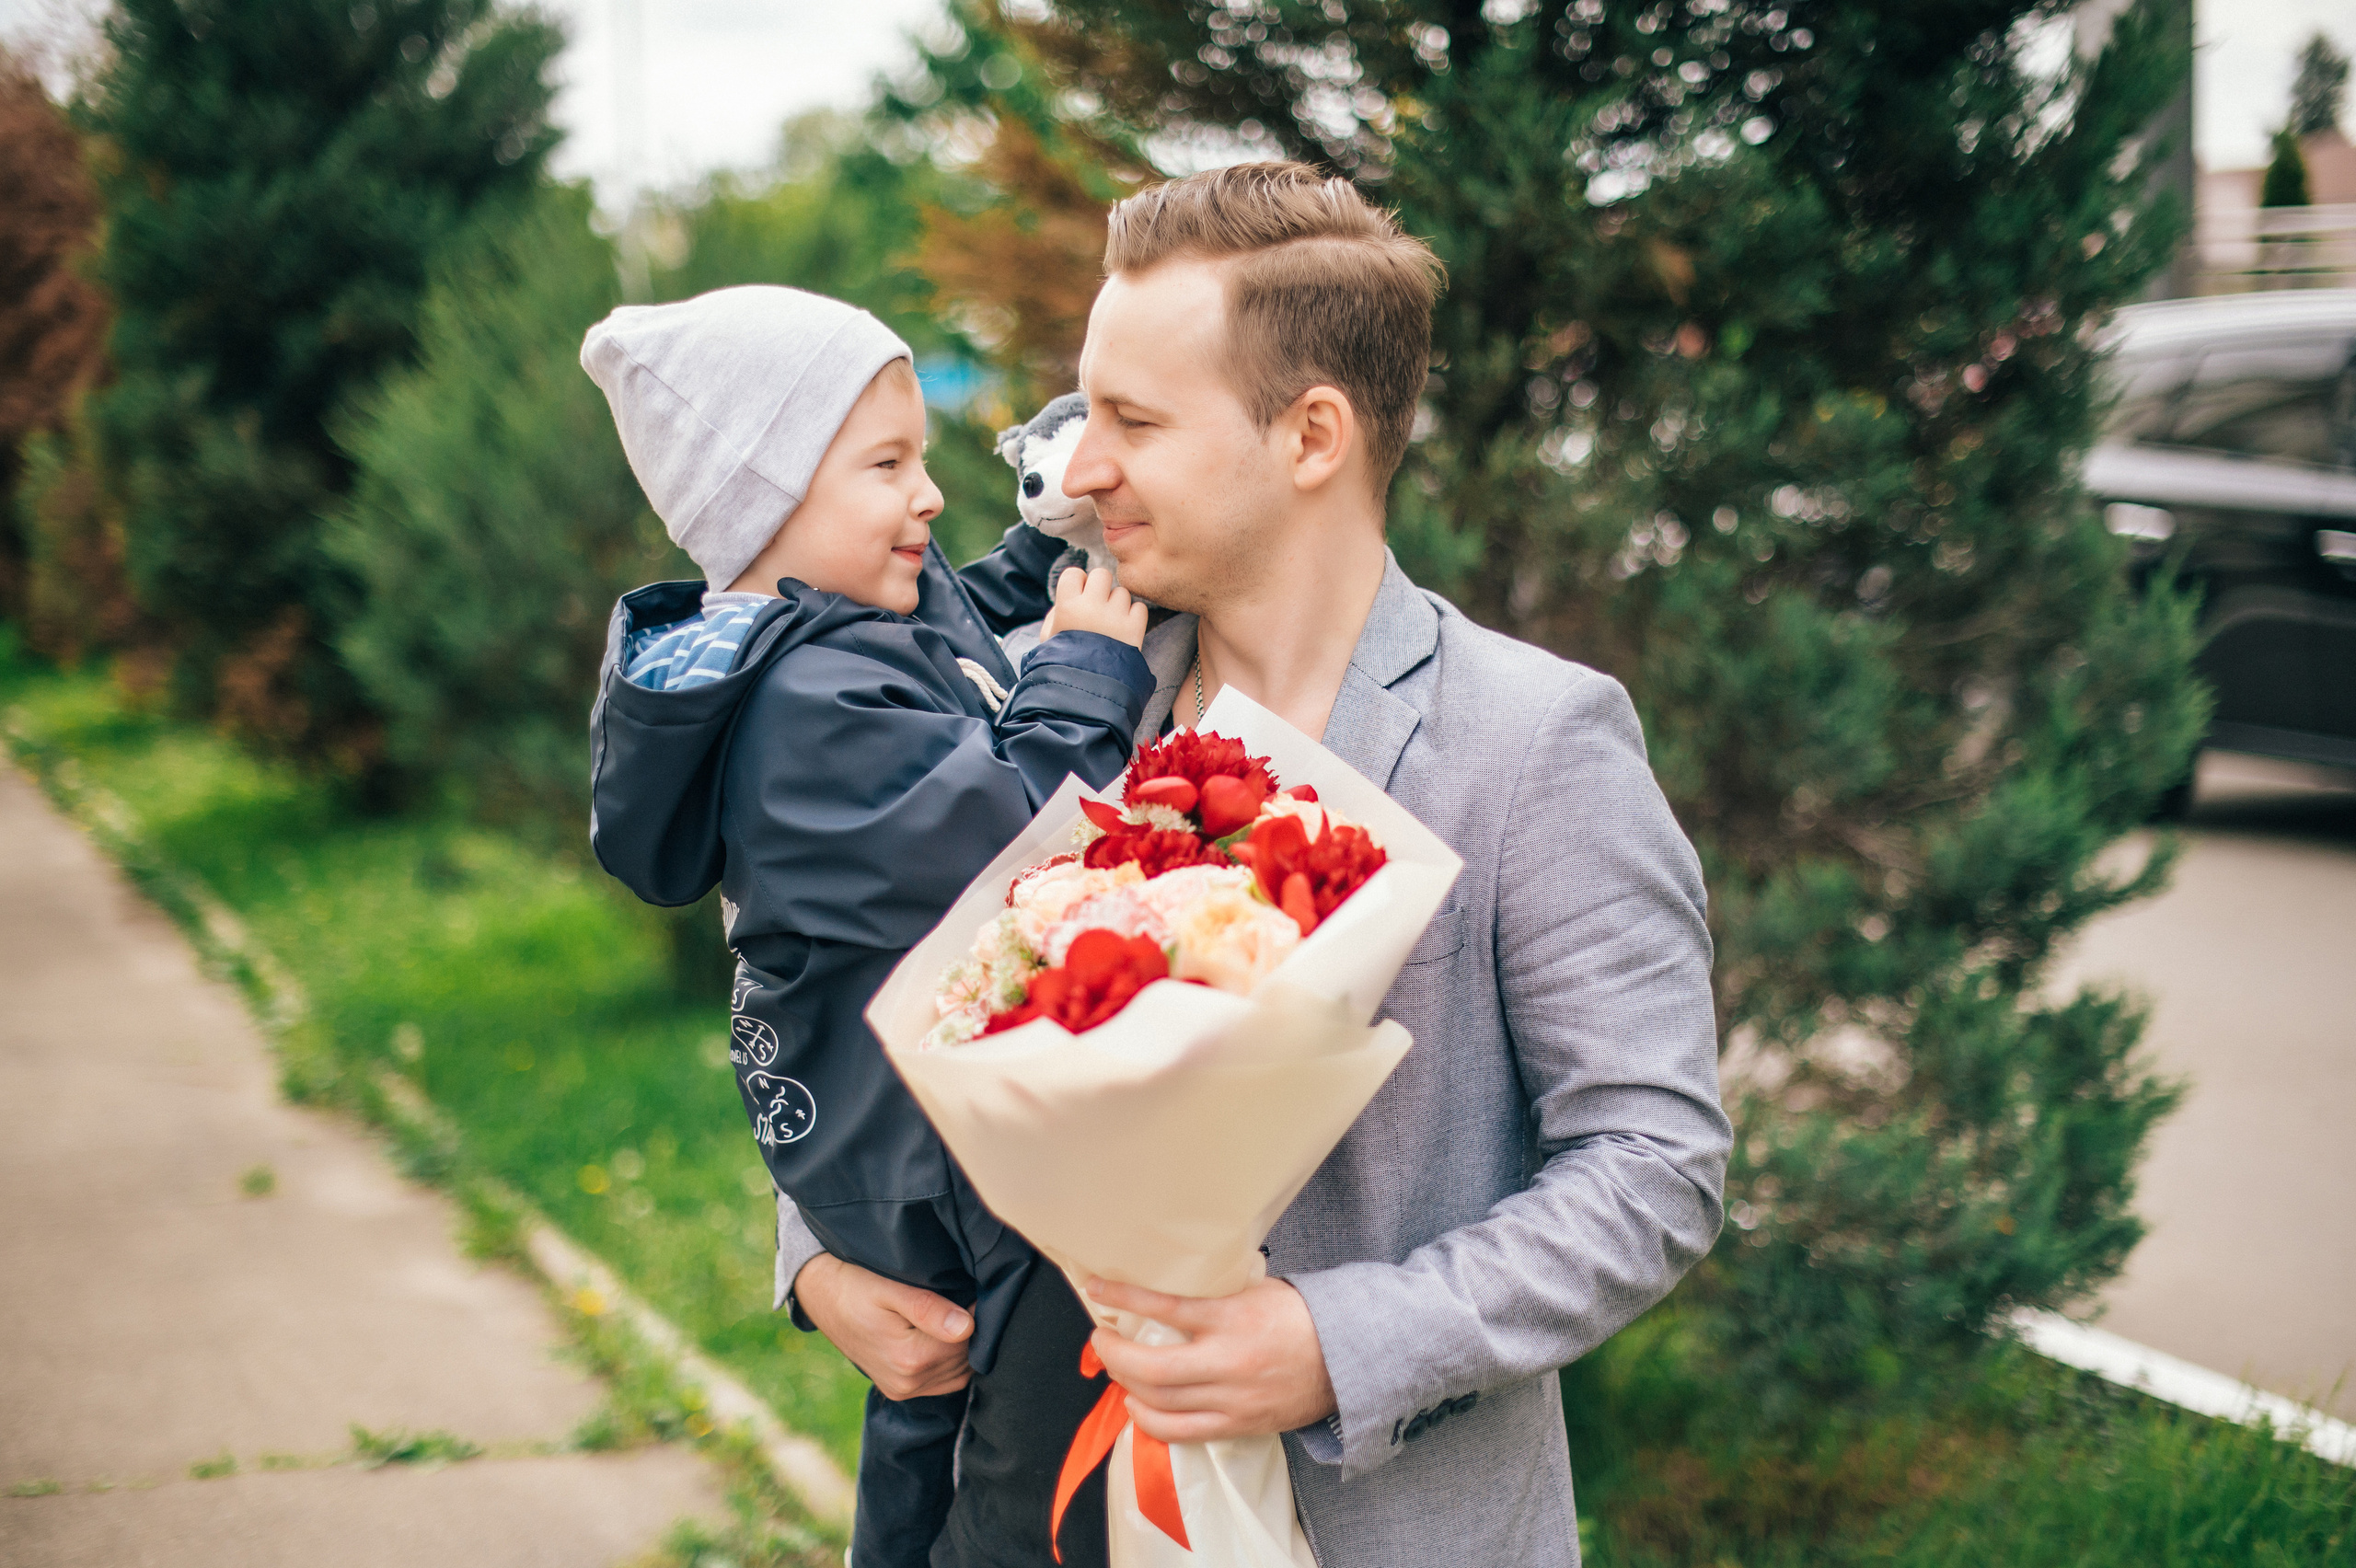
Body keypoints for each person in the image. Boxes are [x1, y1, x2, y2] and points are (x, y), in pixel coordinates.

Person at [778, 167, 1733, 1566]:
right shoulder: (1047, 697)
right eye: (1086, 413)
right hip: (1015, 1506)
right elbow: (843, 978)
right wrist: (816, 1253)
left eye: (1135, 422)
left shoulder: (1537, 741)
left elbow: (1654, 1166)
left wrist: (1334, 1346)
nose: (1078, 470)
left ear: (1312, 436)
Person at [578, 284, 1151, 1568]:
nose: (929, 495)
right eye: (887, 466)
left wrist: (1054, 542)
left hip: (916, 1134)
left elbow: (969, 621)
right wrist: (1090, 671)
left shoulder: (844, 621)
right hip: (927, 1167)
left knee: (935, 1441)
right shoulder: (806, 711)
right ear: (764, 503)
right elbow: (1009, 848)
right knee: (995, 1466)